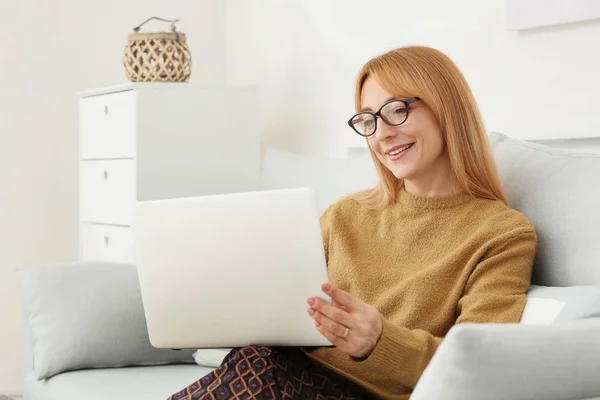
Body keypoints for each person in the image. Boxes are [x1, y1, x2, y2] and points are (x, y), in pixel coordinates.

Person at [167, 45, 537, 400]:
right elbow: (280, 309)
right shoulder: (344, 215)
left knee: (260, 369)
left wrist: (381, 341)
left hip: (363, 393)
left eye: (396, 110)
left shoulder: (502, 234)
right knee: (257, 360)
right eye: (369, 119)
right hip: (278, 373)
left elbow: (482, 364)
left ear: (446, 108)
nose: (382, 133)